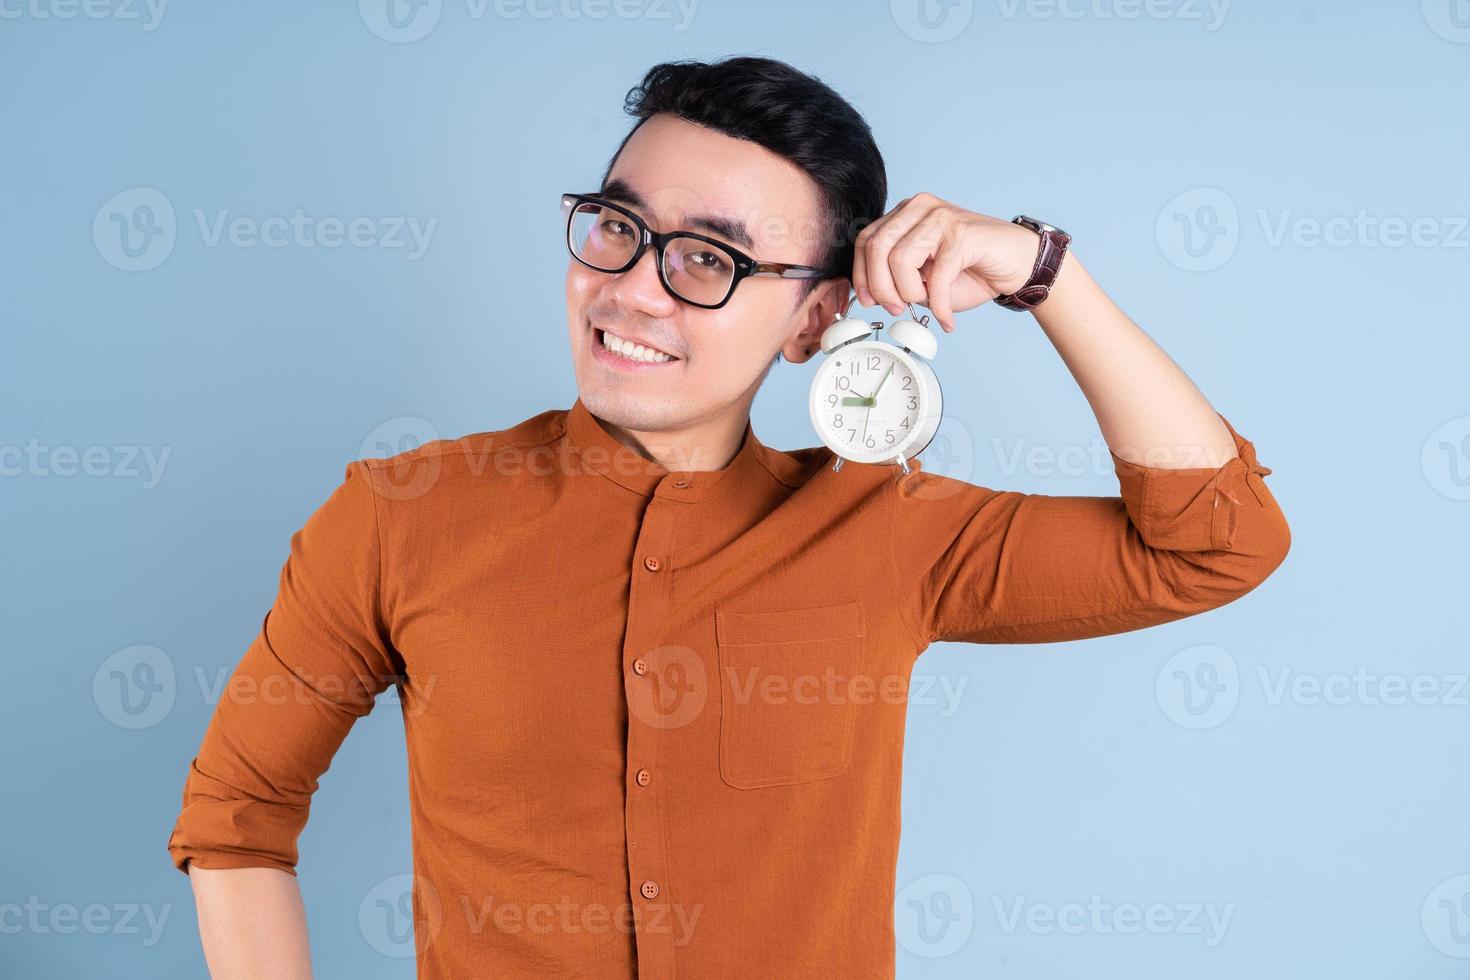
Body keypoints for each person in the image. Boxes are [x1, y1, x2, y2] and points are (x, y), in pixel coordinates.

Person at [167, 55, 1289, 979]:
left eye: (711, 258)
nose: (636, 288)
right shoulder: (400, 516)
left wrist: (1050, 275)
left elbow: (1217, 542)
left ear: (816, 319)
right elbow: (237, 812)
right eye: (617, 225)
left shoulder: (887, 529)